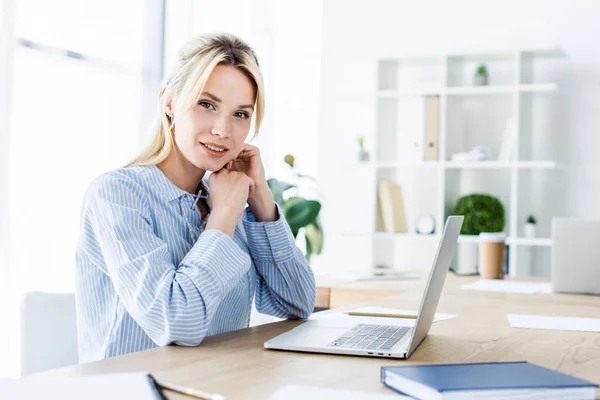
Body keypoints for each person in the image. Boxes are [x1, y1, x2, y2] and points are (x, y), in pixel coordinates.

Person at [75, 32, 316, 362]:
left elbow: (299, 303)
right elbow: (176, 323)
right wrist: (224, 216)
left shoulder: (228, 194)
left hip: (218, 385)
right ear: (169, 102)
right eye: (207, 104)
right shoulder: (117, 195)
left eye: (240, 114)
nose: (222, 130)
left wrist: (260, 199)